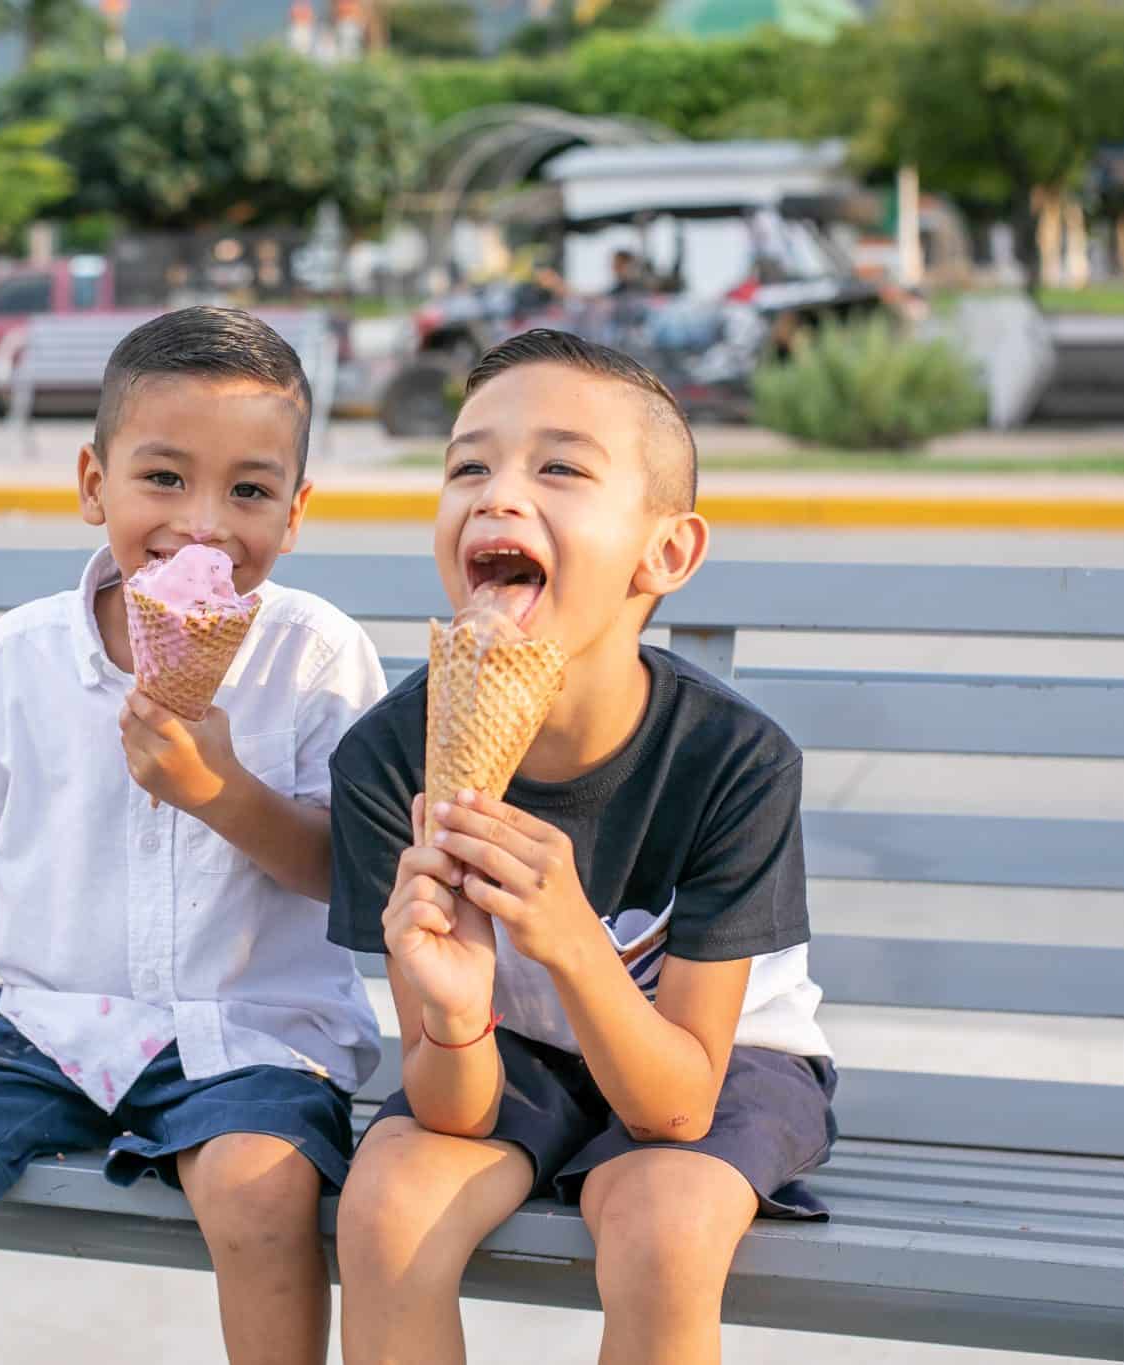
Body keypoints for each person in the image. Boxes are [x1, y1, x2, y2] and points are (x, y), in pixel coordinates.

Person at [0, 307, 387, 1365]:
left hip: (248, 1033)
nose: (201, 525)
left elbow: (344, 874)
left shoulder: (315, 655)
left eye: (247, 490)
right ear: (90, 483)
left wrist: (219, 792)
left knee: (256, 1195)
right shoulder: (17, 657)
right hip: (45, 1027)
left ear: (293, 517)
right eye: (162, 478)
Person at [327, 329, 835, 1365]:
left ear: (667, 553)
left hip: (716, 1062)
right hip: (511, 1055)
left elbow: (674, 1103)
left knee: (662, 1225)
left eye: (557, 467)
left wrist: (567, 938)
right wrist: (459, 1015)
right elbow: (449, 1109)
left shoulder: (732, 761)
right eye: (467, 464)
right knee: (384, 1211)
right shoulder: (391, 760)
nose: (496, 494)